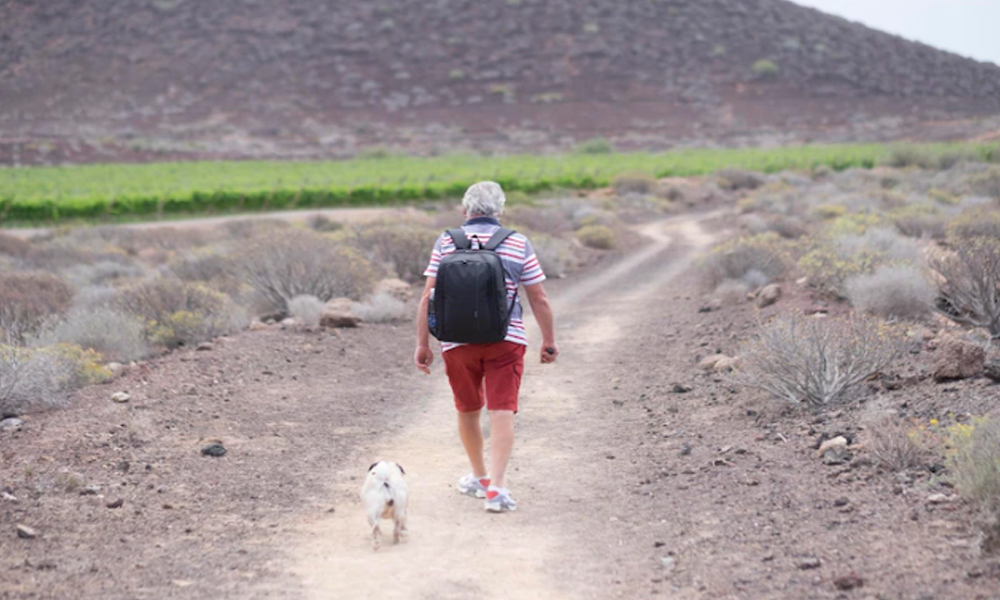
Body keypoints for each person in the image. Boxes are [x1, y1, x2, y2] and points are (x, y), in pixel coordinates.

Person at [414, 181, 558, 513]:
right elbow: (539, 297)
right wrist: (549, 341)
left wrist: (423, 343)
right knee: (501, 410)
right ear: (500, 211)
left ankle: (479, 477)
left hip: (456, 342)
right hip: (505, 340)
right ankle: (497, 488)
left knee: (467, 409)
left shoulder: (446, 241)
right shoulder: (517, 242)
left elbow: (427, 297)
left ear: (465, 211)